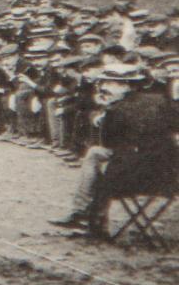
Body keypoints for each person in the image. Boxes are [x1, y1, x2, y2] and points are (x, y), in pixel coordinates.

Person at [50, 65, 179, 236]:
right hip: (168, 175)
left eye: (110, 84)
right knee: (96, 154)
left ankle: (87, 216)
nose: (104, 88)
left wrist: (103, 114)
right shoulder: (161, 100)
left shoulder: (116, 109)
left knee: (98, 160)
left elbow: (109, 143)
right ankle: (83, 213)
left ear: (126, 85)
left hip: (133, 179)